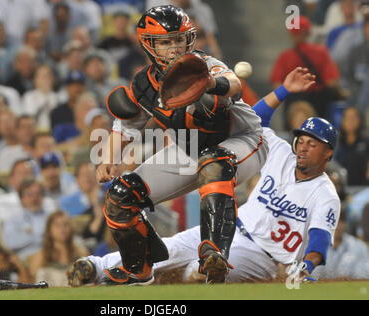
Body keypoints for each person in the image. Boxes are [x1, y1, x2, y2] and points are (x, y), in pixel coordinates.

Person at [68, 67, 341, 286]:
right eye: (302, 139)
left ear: (328, 153)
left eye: (312, 143)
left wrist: (306, 266)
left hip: (262, 256)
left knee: (194, 274)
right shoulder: (281, 153)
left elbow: (318, 239)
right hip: (230, 229)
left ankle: (146, 283)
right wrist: (283, 90)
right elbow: (256, 120)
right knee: (170, 248)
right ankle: (94, 267)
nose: (303, 146)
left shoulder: (325, 194)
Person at [93, 5, 268, 285]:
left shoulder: (201, 64)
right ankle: (139, 267)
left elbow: (233, 83)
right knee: (120, 195)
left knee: (214, 162)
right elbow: (125, 126)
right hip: (189, 148)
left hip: (244, 140)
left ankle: (214, 256)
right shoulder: (143, 83)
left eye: (178, 39)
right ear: (148, 46)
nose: (174, 47)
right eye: (165, 42)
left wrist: (209, 83)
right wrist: (108, 159)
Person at [270, 15, 341, 118]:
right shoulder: (321, 52)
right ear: (308, 33)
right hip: (319, 103)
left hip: (294, 102)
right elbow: (332, 83)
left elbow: (277, 86)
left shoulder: (285, 56)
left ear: (291, 34)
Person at [29, 210, 89, 285]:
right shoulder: (41, 256)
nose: (62, 229)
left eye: (65, 225)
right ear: (49, 229)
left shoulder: (80, 252)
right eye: (57, 225)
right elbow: (32, 281)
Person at [334, 106, 368, 186]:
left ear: (360, 120)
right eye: (347, 117)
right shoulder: (336, 143)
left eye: (353, 117)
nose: (350, 121)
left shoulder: (366, 142)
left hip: (364, 188)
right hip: (341, 188)